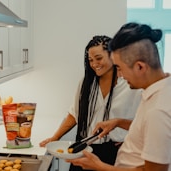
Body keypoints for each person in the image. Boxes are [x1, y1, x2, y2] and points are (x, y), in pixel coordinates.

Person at [67, 22, 171, 171]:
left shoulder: (158, 110)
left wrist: (100, 167)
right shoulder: (159, 91)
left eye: (119, 68)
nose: (120, 75)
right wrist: (118, 122)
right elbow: (146, 129)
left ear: (140, 67)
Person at [39, 35, 141, 170]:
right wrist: (55, 137)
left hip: (115, 152)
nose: (94, 64)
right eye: (90, 60)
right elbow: (75, 114)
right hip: (84, 149)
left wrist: (129, 142)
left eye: (98, 58)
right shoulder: (86, 83)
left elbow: (143, 123)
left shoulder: (131, 85)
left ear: (112, 55)